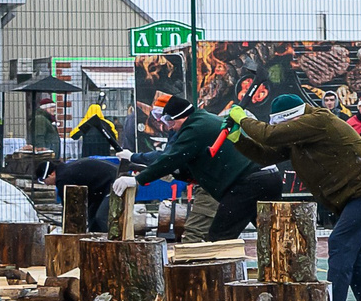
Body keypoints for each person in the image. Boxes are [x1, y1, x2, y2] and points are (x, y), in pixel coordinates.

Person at [236, 93, 361, 301]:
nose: (282, 130)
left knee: (340, 244)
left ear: (292, 119)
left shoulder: (319, 120)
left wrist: (242, 119)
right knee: (349, 250)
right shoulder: (299, 135)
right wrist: (237, 139)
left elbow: (268, 135)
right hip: (350, 194)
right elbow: (265, 154)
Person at [118, 93, 284, 241]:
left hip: (250, 182)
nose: (168, 127)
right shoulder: (202, 121)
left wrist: (137, 179)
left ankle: (222, 274)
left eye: (169, 121)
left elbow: (169, 159)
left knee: (221, 236)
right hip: (267, 176)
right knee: (270, 231)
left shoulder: (194, 129)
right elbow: (179, 163)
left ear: (180, 117)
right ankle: (284, 268)